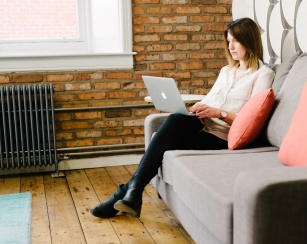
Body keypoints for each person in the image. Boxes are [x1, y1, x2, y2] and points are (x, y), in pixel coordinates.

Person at [90, 17, 275, 219]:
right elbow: (212, 98)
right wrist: (199, 107)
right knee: (175, 119)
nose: (230, 46)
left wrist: (218, 113)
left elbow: (250, 120)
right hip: (202, 124)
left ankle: (127, 192)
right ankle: (131, 192)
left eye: (235, 41)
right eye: (228, 41)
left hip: (223, 137)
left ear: (249, 40)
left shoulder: (262, 74)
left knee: (163, 144)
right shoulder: (226, 71)